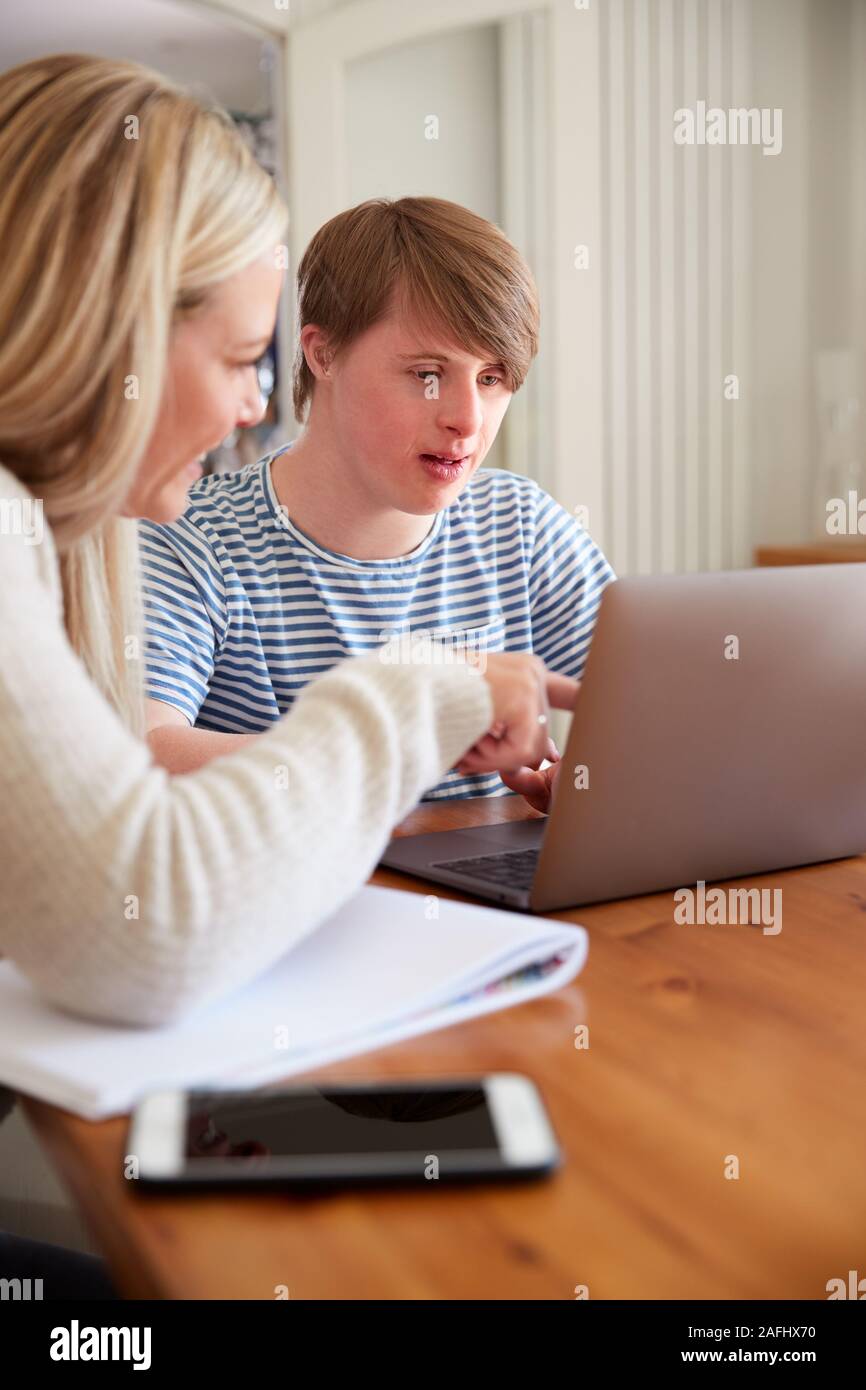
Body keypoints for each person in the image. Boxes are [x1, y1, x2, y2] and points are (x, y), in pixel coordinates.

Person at [0, 51, 576, 1033]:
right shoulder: (170, 540)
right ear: (106, 337)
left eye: (493, 379)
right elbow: (140, 926)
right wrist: (425, 699)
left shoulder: (44, 533)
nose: (249, 407)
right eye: (235, 358)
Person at [141, 197, 616, 808]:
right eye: (427, 374)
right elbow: (140, 753)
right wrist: (410, 724)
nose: (466, 420)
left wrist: (592, 774)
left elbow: (656, 706)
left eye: (491, 379)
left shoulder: (519, 525)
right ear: (323, 353)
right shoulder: (193, 538)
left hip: (487, 899)